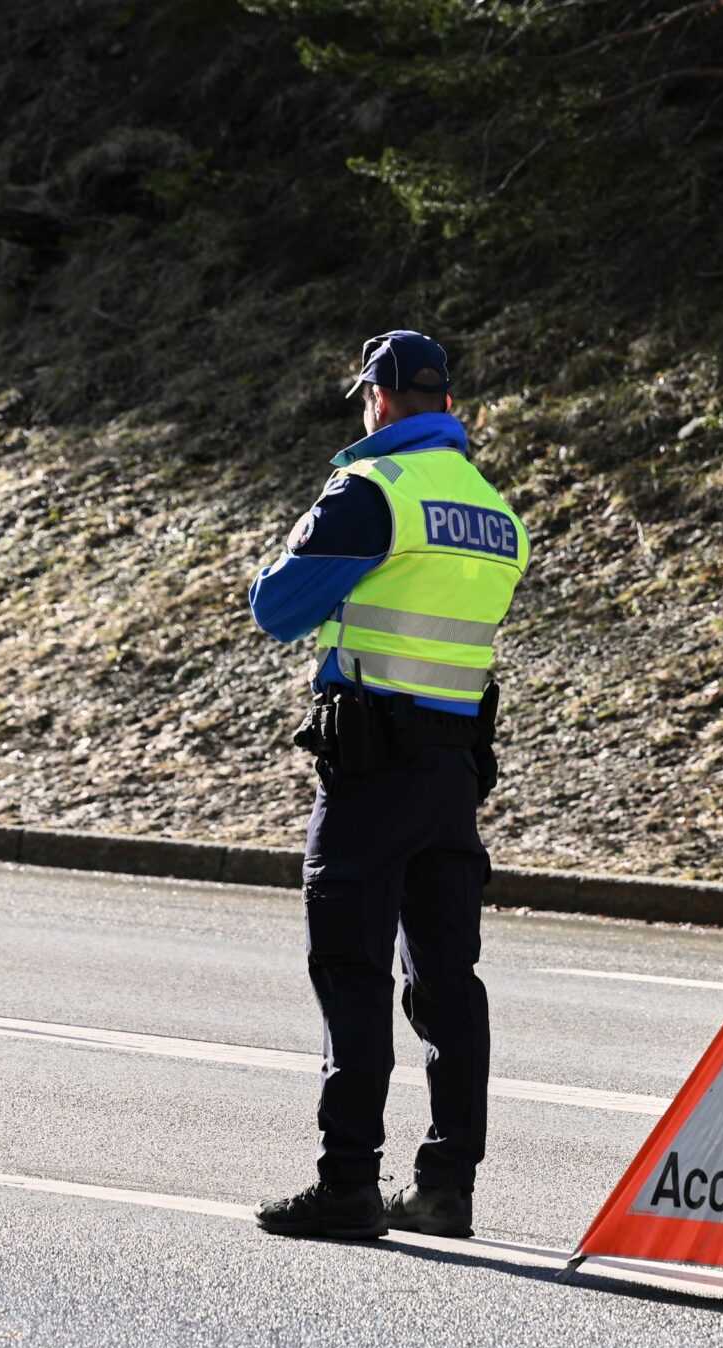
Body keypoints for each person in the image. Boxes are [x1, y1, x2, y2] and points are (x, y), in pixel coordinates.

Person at [246, 330, 530, 1241]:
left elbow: (276, 609)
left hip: (371, 773)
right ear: (446, 402)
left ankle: (347, 1185)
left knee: (351, 971)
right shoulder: (494, 511)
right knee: (448, 983)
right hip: (454, 773)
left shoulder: (372, 492)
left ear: (378, 402)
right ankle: (447, 1188)